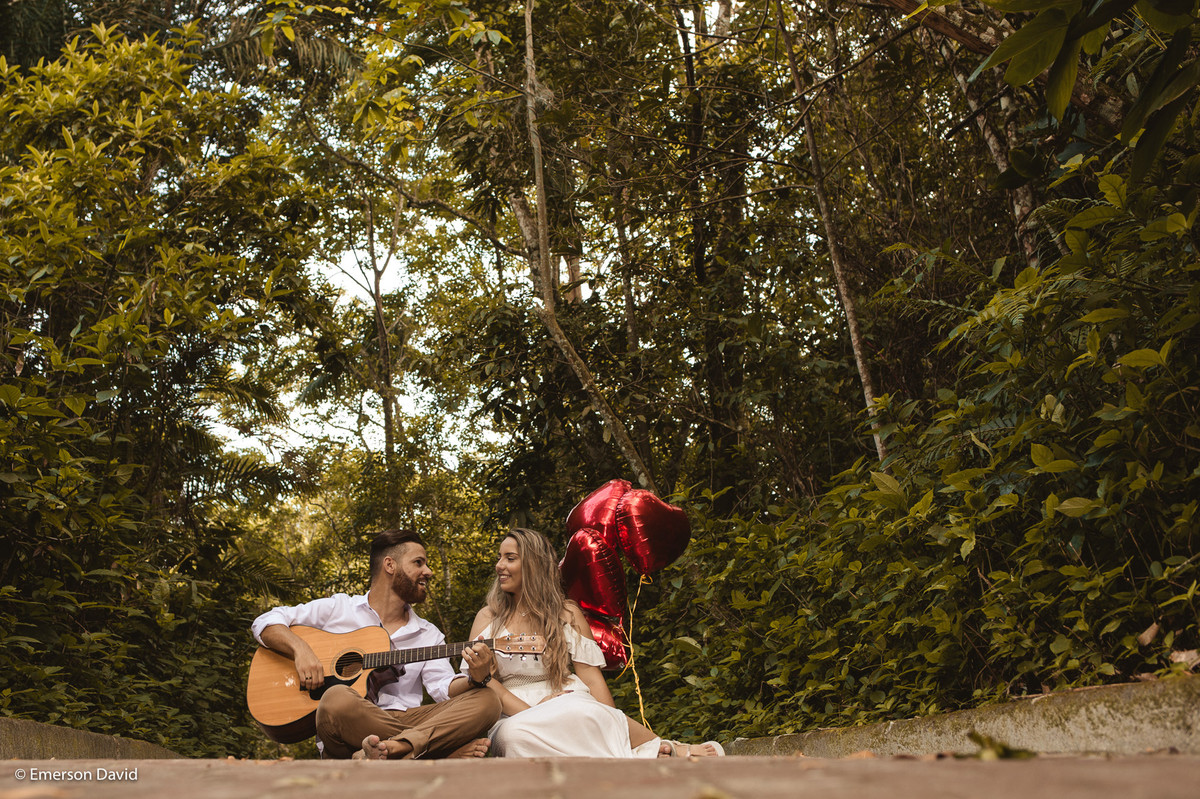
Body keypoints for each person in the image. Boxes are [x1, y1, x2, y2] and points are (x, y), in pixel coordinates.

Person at [464, 527, 724, 758]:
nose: (499, 565)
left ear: (533, 565)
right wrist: (528, 709)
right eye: (500, 557)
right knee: (515, 737)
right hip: (510, 711)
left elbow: (590, 678)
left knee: (585, 712)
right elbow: (478, 681)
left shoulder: (566, 613)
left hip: (563, 697)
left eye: (510, 558)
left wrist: (610, 721)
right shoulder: (488, 618)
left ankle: (654, 747)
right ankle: (640, 756)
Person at [251, 528, 502, 759]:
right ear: (390, 565)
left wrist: (474, 678)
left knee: (488, 700)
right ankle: (431, 751)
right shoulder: (339, 608)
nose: (429, 571)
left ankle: (397, 749)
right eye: (419, 562)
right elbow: (266, 622)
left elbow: (442, 688)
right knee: (336, 698)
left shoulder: (429, 634)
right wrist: (301, 649)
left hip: (407, 720)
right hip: (349, 722)